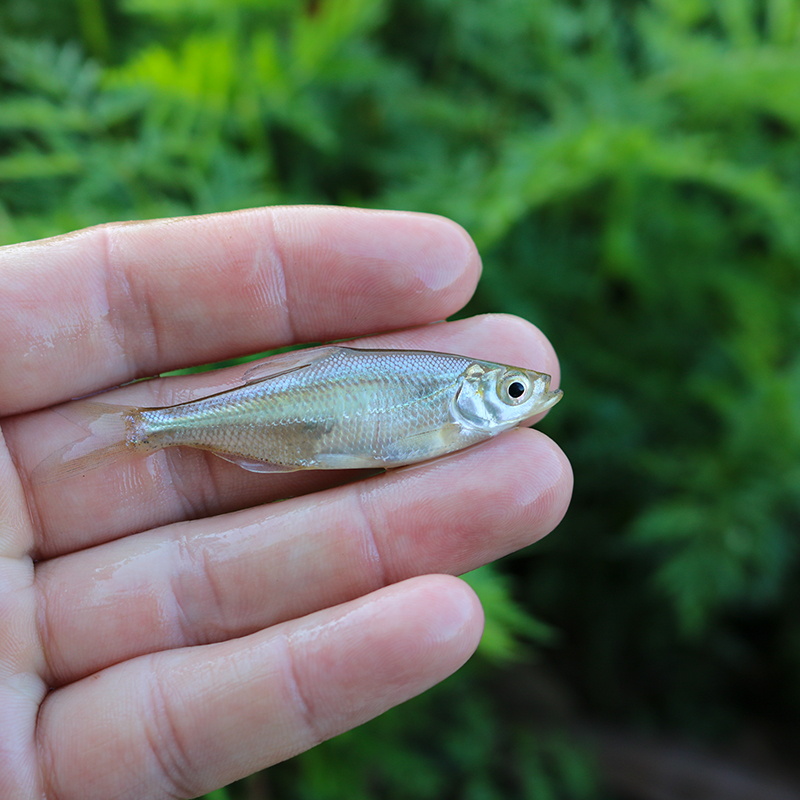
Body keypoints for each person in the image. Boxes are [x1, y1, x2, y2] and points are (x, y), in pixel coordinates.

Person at [0, 206, 572, 800]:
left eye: (516, 393)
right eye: (512, 392)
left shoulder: (444, 398)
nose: (523, 400)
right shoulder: (445, 397)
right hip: (292, 421)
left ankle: (150, 426)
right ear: (471, 392)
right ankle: (149, 427)